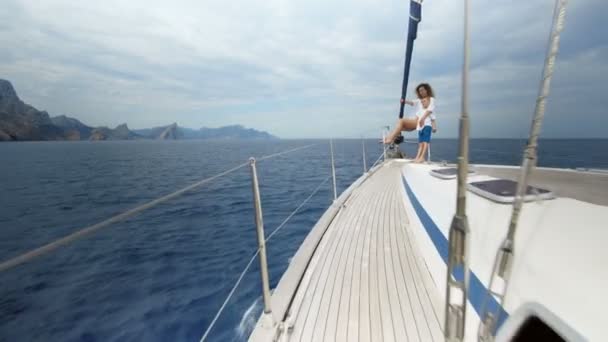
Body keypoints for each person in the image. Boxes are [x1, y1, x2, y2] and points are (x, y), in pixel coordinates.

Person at [384, 83, 436, 163]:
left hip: (422, 122)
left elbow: (431, 112)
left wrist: (432, 125)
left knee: (401, 121)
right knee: (400, 126)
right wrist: (404, 101)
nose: (421, 92)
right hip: (418, 123)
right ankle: (391, 137)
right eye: (419, 91)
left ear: (427, 90)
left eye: (422, 90)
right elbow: (412, 102)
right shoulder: (419, 101)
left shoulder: (431, 99)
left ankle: (390, 138)